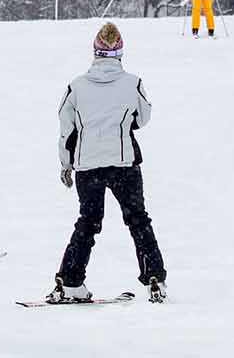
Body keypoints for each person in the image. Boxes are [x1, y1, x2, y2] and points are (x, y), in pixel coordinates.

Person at [49, 23, 166, 304]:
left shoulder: (76, 86)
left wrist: (66, 164)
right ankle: (154, 277)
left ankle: (71, 281)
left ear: (95, 53)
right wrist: (123, 124)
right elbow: (144, 117)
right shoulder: (132, 83)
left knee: (87, 222)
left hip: (88, 167)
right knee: (138, 219)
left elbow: (67, 130)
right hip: (124, 164)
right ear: (120, 54)